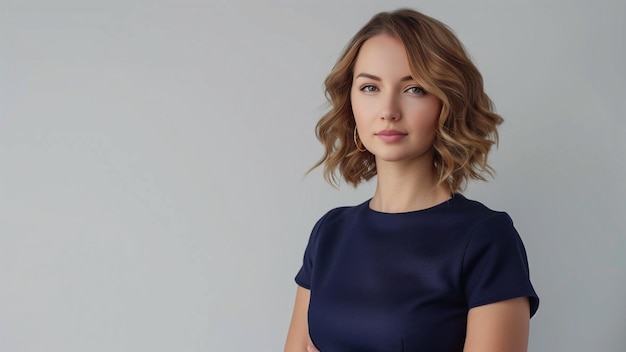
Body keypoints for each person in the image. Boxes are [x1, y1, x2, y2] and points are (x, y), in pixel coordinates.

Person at [284, 8, 539, 352]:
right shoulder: (330, 234)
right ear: (351, 103)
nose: (388, 109)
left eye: (414, 88)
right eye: (370, 87)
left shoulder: (486, 240)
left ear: (446, 103)